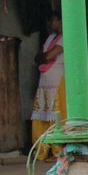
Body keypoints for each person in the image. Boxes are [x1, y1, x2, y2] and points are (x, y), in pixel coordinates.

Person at [31, 13, 65, 160]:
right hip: (44, 83)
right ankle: (42, 150)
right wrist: (42, 57)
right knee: (43, 115)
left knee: (56, 116)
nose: (51, 24)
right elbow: (38, 57)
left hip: (57, 81)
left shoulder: (66, 37)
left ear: (61, 21)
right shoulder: (51, 37)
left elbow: (48, 56)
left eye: (53, 21)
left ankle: (58, 152)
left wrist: (42, 58)